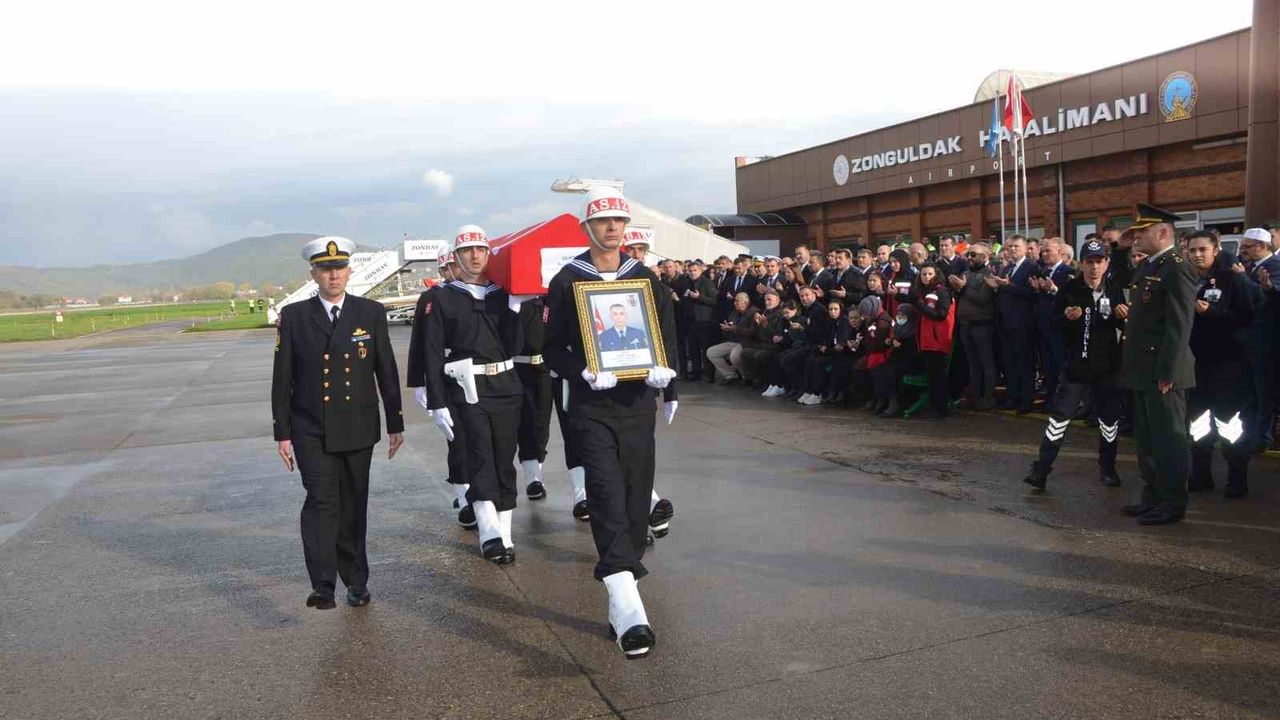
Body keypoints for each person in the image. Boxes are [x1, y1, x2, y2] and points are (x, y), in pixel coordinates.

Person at [544, 186, 678, 659]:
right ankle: (629, 609)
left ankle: (623, 593)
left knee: (637, 497)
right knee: (604, 492)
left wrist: (669, 383)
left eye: (619, 220)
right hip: (592, 407)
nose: (612, 228)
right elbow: (550, 347)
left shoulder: (644, 278)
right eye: (603, 221)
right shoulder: (567, 280)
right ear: (587, 228)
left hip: (638, 403)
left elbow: (665, 334)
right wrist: (581, 370)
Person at [272, 236, 404, 610]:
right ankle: (323, 584)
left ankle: (356, 581)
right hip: (310, 426)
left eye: (339, 268)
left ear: (349, 271)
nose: (334, 275)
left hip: (357, 425)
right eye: (326, 269)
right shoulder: (295, 316)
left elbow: (386, 370)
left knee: (353, 504)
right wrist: (282, 432)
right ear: (313, 274)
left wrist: (395, 421)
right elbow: (282, 378)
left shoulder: (370, 312)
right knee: (320, 500)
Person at [422, 225, 525, 563]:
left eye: (481, 249)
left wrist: (516, 311)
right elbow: (432, 351)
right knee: (479, 454)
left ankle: (505, 532)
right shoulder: (442, 297)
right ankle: (488, 531)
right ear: (457, 256)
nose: (475, 256)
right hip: (467, 388)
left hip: (505, 385)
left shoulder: (502, 294)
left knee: (504, 457)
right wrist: (437, 401)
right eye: (467, 251)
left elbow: (515, 346)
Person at [1022, 240, 1128, 491]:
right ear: (1082, 263)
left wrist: (1122, 317)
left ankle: (1108, 468)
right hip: (1076, 366)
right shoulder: (1070, 288)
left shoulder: (1114, 289)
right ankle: (1041, 470)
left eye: (1099, 261)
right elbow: (1053, 324)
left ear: (1106, 263)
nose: (1094, 267)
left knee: (1109, 421)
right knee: (1059, 419)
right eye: (1090, 262)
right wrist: (1067, 318)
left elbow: (1120, 324)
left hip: (1107, 366)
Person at [1117, 204, 1198, 525]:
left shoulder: (1177, 268)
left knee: (1170, 439)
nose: (1136, 238)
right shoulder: (1150, 265)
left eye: (1142, 232)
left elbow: (1179, 324)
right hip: (1142, 367)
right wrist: (1121, 246)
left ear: (1162, 232)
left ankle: (1173, 501)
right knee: (1148, 438)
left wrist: (1169, 371)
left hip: (1163, 370)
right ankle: (1153, 494)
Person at [407, 251, 475, 528]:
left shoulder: (477, 293)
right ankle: (464, 495)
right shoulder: (431, 298)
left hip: (476, 376)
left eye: (453, 266)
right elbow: (419, 344)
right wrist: (419, 382)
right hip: (446, 376)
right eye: (446, 268)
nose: (450, 271)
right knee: (457, 439)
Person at [1185, 230, 1255, 497]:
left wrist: (1212, 312)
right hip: (1197, 363)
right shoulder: (1187, 279)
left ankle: (1237, 479)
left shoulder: (1232, 279)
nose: (1197, 255)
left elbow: (1247, 317)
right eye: (1192, 250)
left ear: (1215, 250)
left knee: (1229, 424)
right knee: (1198, 422)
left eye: (1203, 249)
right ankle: (1201, 475)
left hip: (1229, 364)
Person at [1237, 227, 1280, 452]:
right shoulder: (1248, 267)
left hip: (1267, 342)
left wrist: (1244, 279)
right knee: (1250, 392)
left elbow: (1263, 296)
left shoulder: (1275, 266)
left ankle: (1262, 438)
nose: (1242, 251)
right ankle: (1249, 434)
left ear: (1262, 246)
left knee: (1265, 392)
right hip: (1248, 341)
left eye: (1247, 247)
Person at [989, 235, 1037, 414]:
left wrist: (1008, 286)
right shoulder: (1006, 268)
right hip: (1005, 322)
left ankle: (1025, 400)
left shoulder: (1031, 267)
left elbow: (1032, 294)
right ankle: (1013, 397)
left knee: (1024, 363)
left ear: (1024, 248)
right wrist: (996, 286)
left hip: (1023, 323)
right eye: (1009, 247)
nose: (1012, 250)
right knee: (1009, 363)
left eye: (1016, 246)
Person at [951, 243, 997, 410]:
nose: (969, 258)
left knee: (986, 362)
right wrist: (957, 289)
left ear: (984, 257)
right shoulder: (965, 273)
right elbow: (960, 297)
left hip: (982, 324)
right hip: (965, 323)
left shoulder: (989, 274)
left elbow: (982, 299)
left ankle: (988, 397)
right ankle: (974, 396)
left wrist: (963, 288)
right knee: (972, 362)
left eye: (973, 255)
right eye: (968, 254)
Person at [908, 264, 954, 418]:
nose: (926, 277)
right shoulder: (923, 292)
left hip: (938, 340)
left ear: (936, 275)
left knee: (938, 376)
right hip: (927, 340)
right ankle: (935, 406)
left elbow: (941, 315)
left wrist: (918, 303)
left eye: (929, 274)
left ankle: (941, 409)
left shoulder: (942, 291)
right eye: (923, 274)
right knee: (932, 375)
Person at [706, 292, 758, 384]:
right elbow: (729, 331)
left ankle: (746, 377)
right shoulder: (734, 313)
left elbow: (753, 332)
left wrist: (735, 328)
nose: (735, 303)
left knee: (734, 356)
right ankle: (731, 375)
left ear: (746, 302)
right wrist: (726, 329)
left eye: (737, 301)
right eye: (735, 301)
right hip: (732, 341)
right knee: (711, 352)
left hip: (745, 342)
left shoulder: (754, 312)